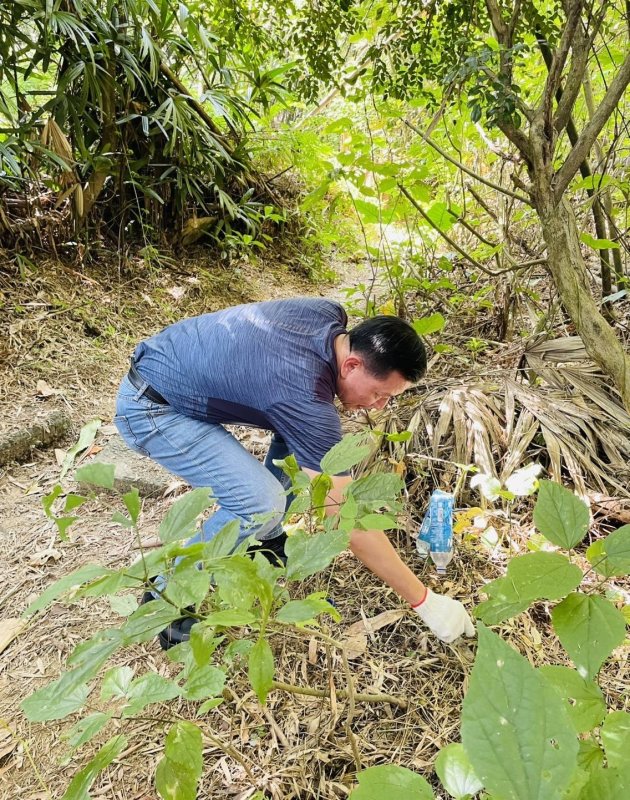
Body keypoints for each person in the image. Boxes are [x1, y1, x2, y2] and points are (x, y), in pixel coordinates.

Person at [114, 297, 475, 648]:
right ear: (350, 365)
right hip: (151, 408)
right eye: (380, 394)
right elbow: (346, 521)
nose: (379, 406)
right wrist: (424, 601)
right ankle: (167, 589)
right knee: (261, 502)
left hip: (170, 364)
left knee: (295, 443)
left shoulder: (328, 316)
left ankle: (265, 538)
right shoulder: (302, 394)